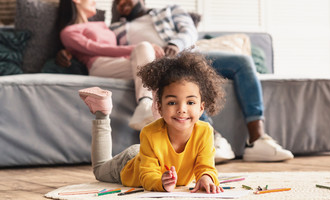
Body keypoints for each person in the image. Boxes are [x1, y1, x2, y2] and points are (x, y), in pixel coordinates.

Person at [57, 0, 294, 162]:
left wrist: (175, 47)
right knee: (176, 78)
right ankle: (213, 140)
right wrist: (68, 52)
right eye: (117, 0)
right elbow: (102, 50)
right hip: (159, 65)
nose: (121, 2)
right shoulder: (115, 28)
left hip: (187, 53)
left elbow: (188, 31)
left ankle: (258, 139)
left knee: (242, 61)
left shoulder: (170, 11)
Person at [78, 52, 225, 192]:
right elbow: (147, 176)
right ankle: (102, 113)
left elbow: (205, 166)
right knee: (99, 169)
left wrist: (206, 177)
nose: (182, 109)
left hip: (149, 153)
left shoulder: (205, 131)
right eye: (172, 103)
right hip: (129, 164)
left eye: (190, 102)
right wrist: (160, 182)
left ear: (201, 108)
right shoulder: (149, 133)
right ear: (159, 107)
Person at [56, 0, 191, 131]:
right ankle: (150, 110)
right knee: (146, 49)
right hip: (99, 64)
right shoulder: (68, 32)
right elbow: (95, 48)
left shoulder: (103, 26)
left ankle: (151, 114)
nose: (94, 1)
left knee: (157, 66)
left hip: (122, 62)